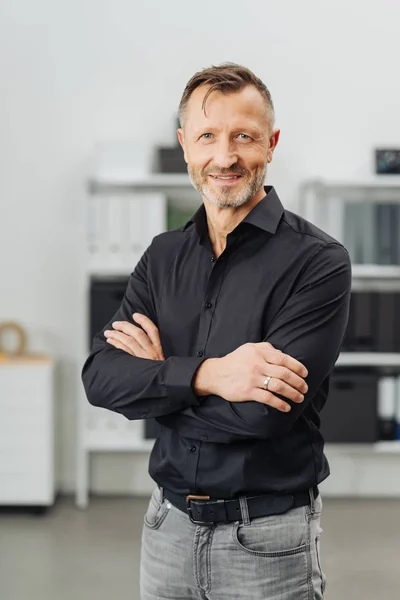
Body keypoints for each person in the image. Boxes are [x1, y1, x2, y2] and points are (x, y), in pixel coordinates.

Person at [82, 63, 351, 600]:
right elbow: (101, 380)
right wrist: (211, 375)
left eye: (243, 137)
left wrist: (158, 381)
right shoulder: (162, 257)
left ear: (271, 144)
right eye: (207, 136)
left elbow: (260, 415)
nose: (224, 157)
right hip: (166, 531)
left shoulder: (318, 262)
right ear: (185, 145)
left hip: (267, 543)